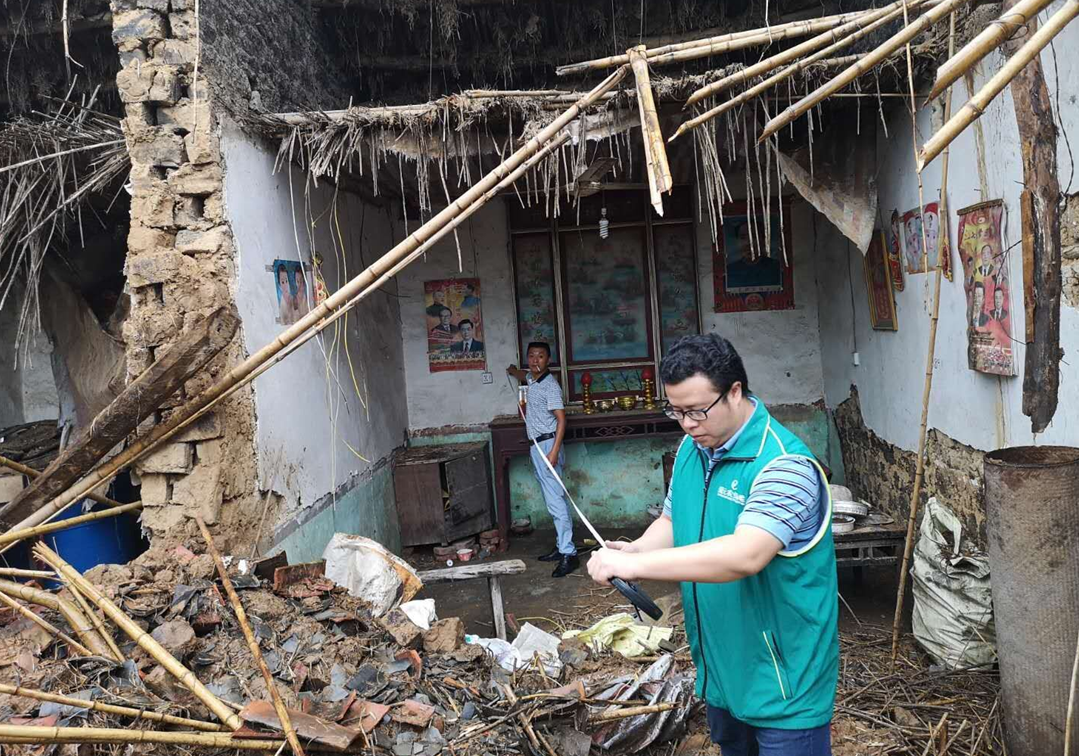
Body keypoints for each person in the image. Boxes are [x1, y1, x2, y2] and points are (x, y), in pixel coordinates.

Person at [586, 334, 838, 755]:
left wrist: (636, 568)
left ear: (735, 392)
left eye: (697, 411)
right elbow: (672, 519)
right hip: (722, 669)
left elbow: (745, 555)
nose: (687, 424)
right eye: (676, 411)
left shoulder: (783, 464)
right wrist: (638, 550)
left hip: (784, 680)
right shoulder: (692, 449)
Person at [507, 343, 578, 578]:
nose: (535, 360)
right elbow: (522, 374)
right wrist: (512, 370)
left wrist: (554, 451)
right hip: (537, 447)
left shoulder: (550, 386)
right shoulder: (531, 378)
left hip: (548, 446)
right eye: (532, 356)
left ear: (548, 360)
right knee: (552, 499)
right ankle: (561, 547)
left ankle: (569, 553)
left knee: (556, 502)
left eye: (540, 356)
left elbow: (562, 420)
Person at [725, 222, 782, 291]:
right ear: (737, 242)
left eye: (754, 237)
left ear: (763, 240)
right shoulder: (730, 271)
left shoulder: (776, 268)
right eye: (743, 238)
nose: (748, 242)